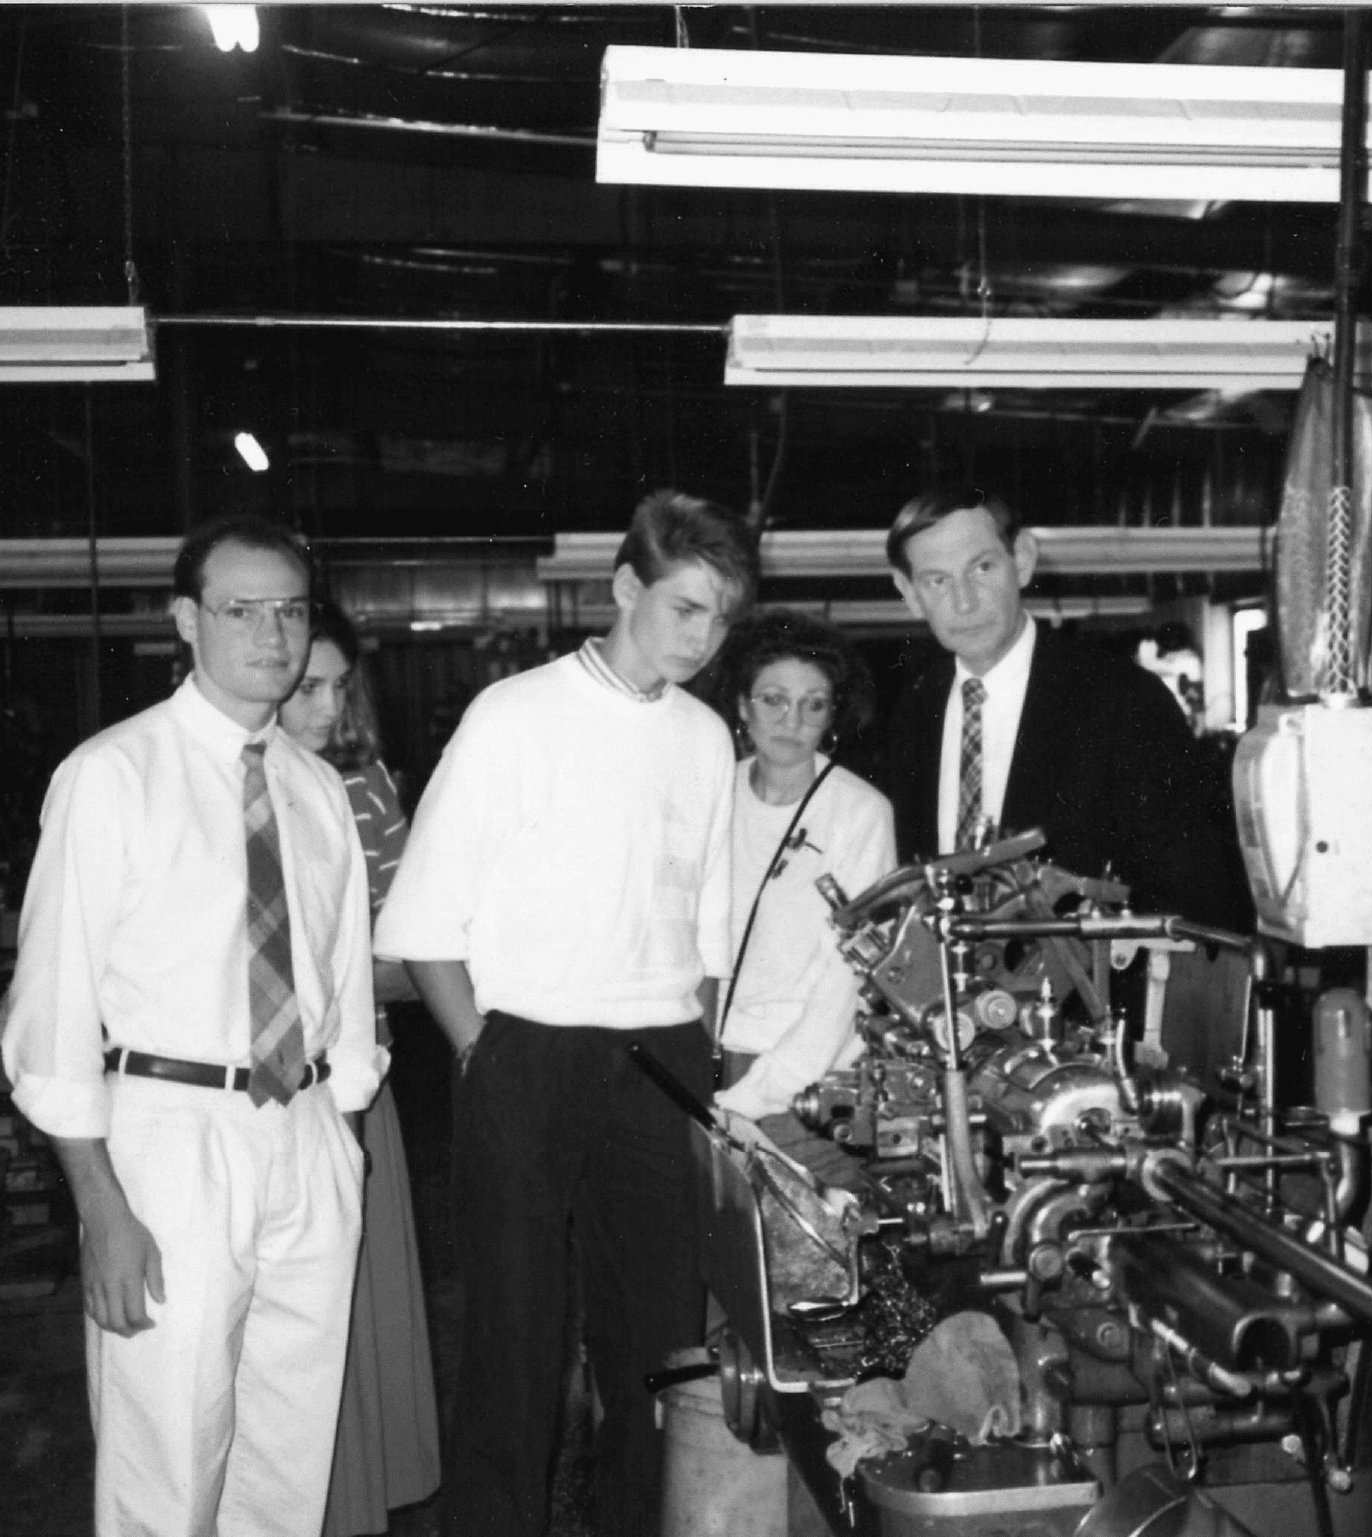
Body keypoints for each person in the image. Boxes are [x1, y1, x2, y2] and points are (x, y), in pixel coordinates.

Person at [373, 489, 754, 1537]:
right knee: (515, 1336)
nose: (702, 637)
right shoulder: (515, 713)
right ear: (625, 586)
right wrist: (480, 1052)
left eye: (719, 618)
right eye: (684, 608)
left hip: (662, 1051)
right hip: (527, 1047)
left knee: (659, 1341)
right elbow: (424, 917)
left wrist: (699, 1048)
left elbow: (708, 921)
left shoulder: (705, 736)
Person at [1, 515, 381, 1536]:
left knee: (284, 1461)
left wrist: (337, 1137)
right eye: (241, 609)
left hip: (300, 1134)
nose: (273, 633)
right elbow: (51, 1013)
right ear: (185, 619)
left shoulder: (313, 788)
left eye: (290, 610)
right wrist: (100, 1205)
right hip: (170, 1138)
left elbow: (343, 983)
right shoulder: (112, 774)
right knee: (166, 1456)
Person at [884, 484, 1247, 928]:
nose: (964, 601)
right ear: (909, 592)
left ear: (1022, 559)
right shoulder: (914, 711)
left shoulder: (1123, 700)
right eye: (937, 581)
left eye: (981, 567)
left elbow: (1193, 894)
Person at [276, 603, 440, 1537]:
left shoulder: (364, 789)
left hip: (343, 1087)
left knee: (346, 1315)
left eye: (340, 687)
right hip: (235, 1097)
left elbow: (415, 958)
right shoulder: (224, 780)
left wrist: (336, 971)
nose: (326, 708)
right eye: (308, 686)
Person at [710, 609, 897, 1124]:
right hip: (707, 1054)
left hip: (807, 1081)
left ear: (832, 716)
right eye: (773, 700)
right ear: (743, 705)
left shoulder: (861, 814)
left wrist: (767, 1093)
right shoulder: (713, 792)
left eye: (812, 706)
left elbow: (851, 979)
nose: (790, 722)